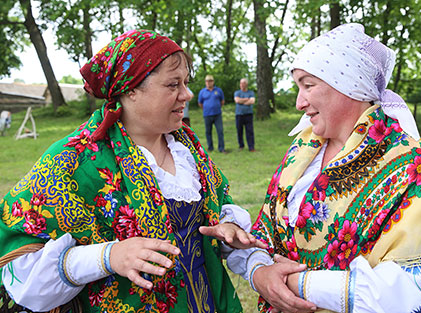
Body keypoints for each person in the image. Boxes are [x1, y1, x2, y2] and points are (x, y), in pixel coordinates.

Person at [0, 29, 265, 313]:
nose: (186, 94)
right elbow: (20, 267)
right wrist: (108, 256)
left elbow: (217, 207)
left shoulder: (187, 146)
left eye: (186, 83)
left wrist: (228, 227)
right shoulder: (72, 160)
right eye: (173, 84)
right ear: (131, 90)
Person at [228, 23, 421, 313]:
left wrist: (299, 284)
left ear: (348, 84)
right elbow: (267, 235)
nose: (299, 102)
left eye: (308, 85)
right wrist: (259, 271)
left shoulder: (413, 164)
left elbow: (418, 291)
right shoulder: (303, 150)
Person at [198, 75, 225, 152]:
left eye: (210, 81)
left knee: (220, 131)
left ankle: (221, 148)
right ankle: (210, 147)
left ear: (213, 82)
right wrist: (206, 109)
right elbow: (200, 103)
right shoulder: (202, 92)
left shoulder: (218, 90)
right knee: (208, 132)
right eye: (207, 81)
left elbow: (222, 101)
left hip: (217, 115)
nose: (208, 83)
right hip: (207, 115)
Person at [234, 78, 255, 151]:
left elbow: (252, 101)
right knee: (239, 130)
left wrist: (241, 101)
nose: (242, 85)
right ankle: (241, 145)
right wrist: (247, 100)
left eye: (243, 83)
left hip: (248, 114)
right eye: (241, 83)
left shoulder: (251, 92)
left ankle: (251, 147)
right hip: (239, 115)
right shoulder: (237, 92)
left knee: (249, 131)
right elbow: (237, 100)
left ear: (246, 84)